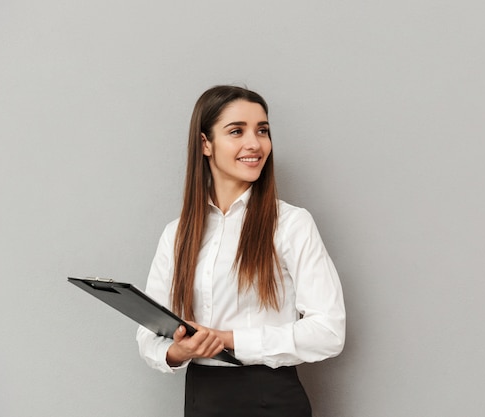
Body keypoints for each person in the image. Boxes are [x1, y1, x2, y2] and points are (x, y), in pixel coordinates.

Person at [136, 85, 346, 417]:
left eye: (262, 131)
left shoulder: (290, 224)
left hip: (271, 399)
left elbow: (329, 331)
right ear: (205, 143)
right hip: (200, 398)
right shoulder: (176, 234)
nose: (255, 143)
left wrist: (228, 339)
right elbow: (148, 337)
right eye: (237, 131)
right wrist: (178, 350)